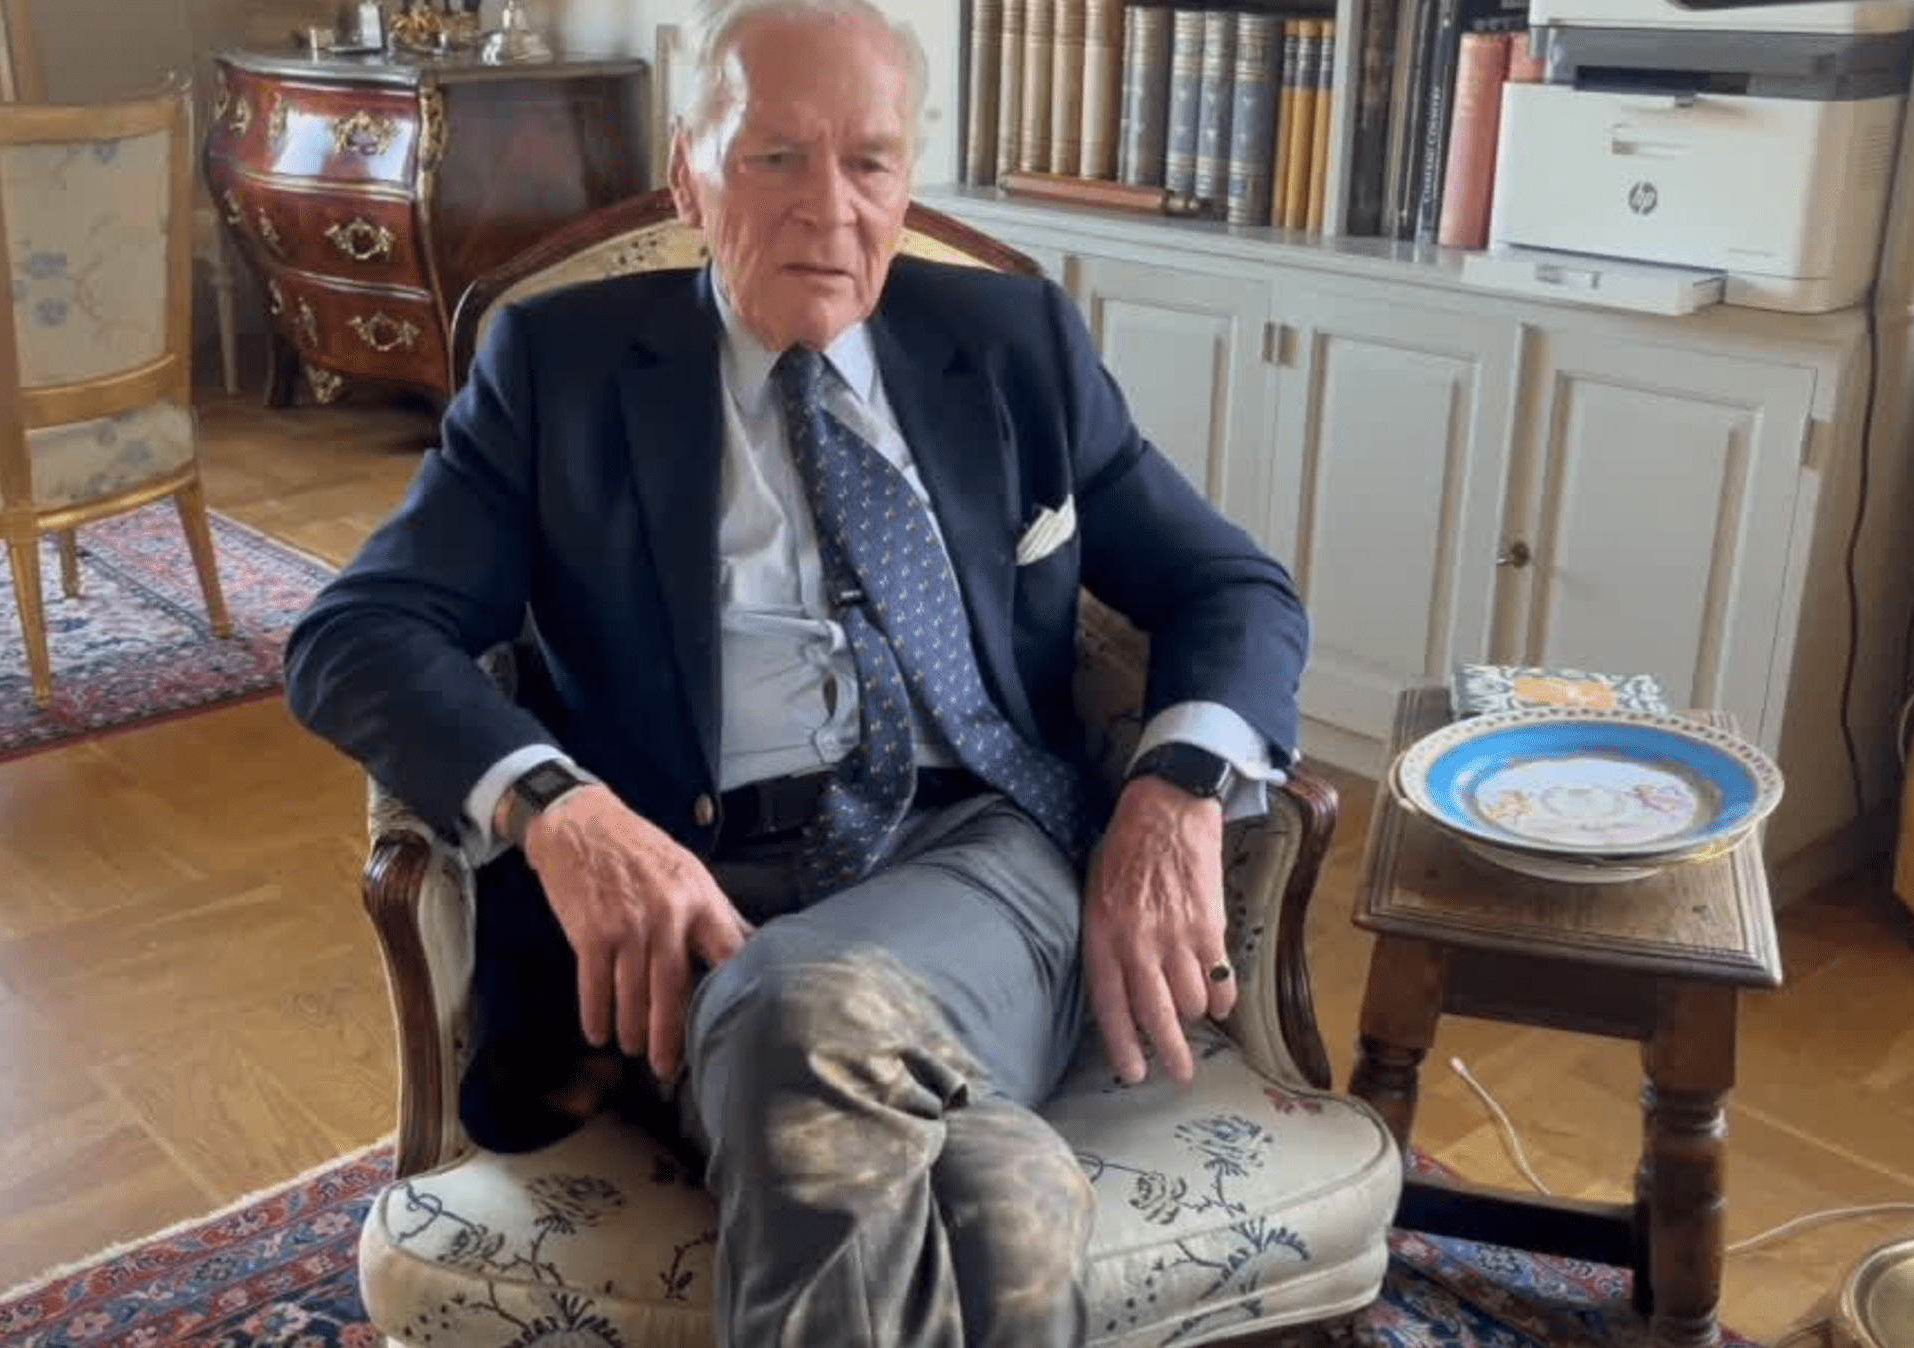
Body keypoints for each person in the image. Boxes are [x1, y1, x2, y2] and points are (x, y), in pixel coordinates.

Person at [282, 0, 1309, 1342]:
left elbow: (1230, 585)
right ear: (689, 175)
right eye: (775, 156)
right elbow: (356, 633)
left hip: (977, 868)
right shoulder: (562, 372)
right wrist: (561, 811)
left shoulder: (1014, 346)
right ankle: (958, 1149)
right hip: (692, 903)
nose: (831, 207)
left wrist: (1174, 794)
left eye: (870, 162)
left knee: (794, 1019)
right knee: (994, 1202)